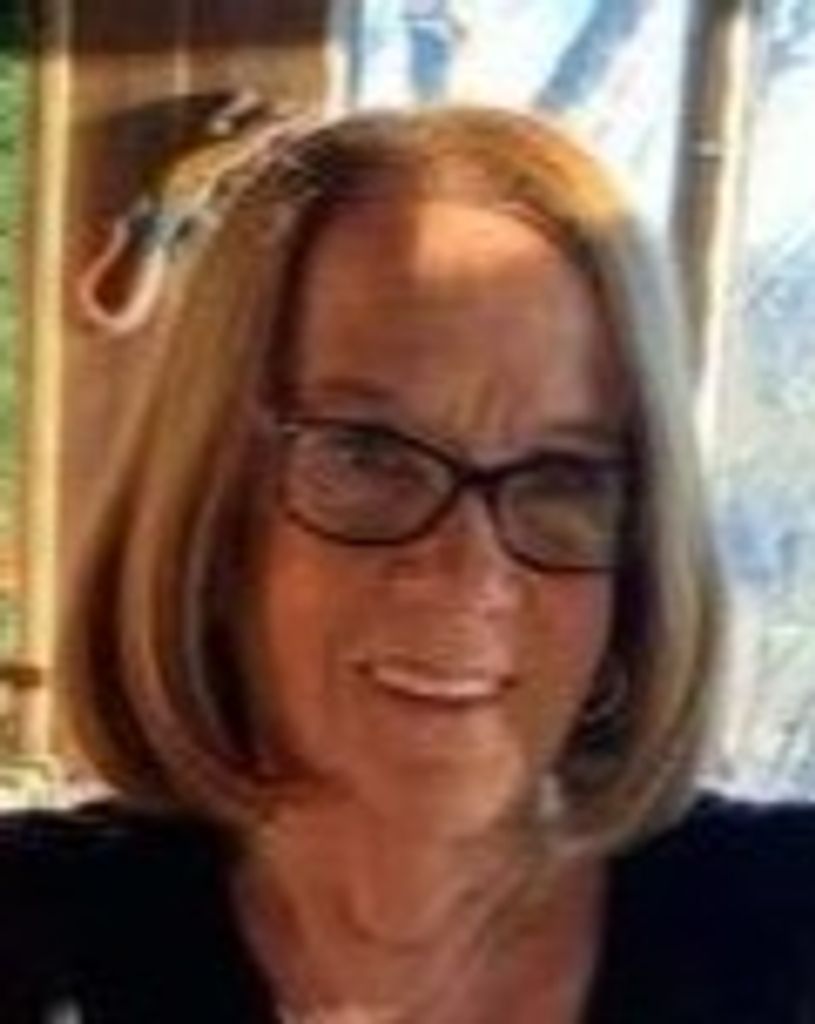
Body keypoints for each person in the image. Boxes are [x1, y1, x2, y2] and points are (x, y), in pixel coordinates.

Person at [1, 103, 814, 1024]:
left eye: (565, 477)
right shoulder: (31, 938)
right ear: (211, 510)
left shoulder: (785, 931)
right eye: (368, 455)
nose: (468, 575)